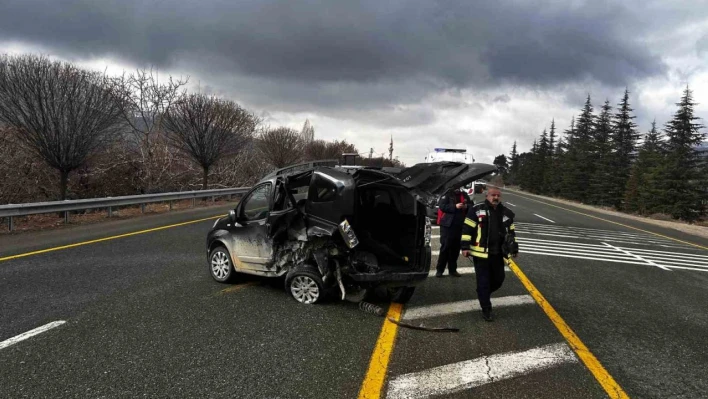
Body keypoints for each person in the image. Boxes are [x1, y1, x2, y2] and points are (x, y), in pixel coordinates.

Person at [461, 186, 518, 321]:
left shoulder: (506, 213)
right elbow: (467, 228)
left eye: (498, 195)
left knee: (499, 279)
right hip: (480, 254)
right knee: (483, 281)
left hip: (498, 253)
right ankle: (486, 308)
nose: (496, 198)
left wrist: (514, 249)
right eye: (493, 195)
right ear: (487, 196)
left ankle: (483, 293)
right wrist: (464, 246)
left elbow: (511, 233)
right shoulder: (476, 210)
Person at [435, 187, 472, 277]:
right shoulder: (447, 194)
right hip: (447, 226)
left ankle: (452, 270)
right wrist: (454, 206)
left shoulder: (464, 194)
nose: (458, 188)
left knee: (455, 249)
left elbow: (472, 205)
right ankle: (440, 270)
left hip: (460, 226)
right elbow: (442, 206)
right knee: (445, 248)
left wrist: (466, 206)